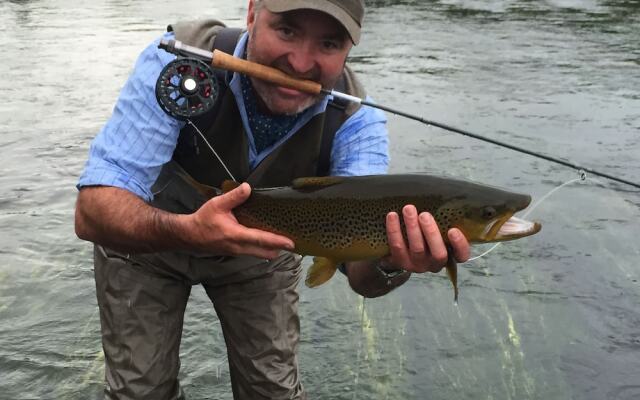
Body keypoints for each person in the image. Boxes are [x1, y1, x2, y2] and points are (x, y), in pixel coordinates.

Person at [75, 0, 471, 399]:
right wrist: (188, 232)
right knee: (140, 391)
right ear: (252, 14)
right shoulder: (181, 62)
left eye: (329, 44)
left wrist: (390, 261)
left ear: (350, 50)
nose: (300, 63)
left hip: (262, 254)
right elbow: (93, 212)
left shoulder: (355, 121)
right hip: (146, 238)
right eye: (286, 31)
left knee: (272, 393)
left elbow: (360, 274)